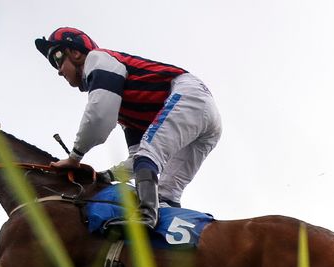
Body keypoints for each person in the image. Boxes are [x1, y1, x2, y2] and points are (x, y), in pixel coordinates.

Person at [35, 27, 223, 229]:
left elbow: (99, 117)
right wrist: (104, 176)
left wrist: (74, 158)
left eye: (57, 58)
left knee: (149, 156)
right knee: (167, 193)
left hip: (189, 95)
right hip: (209, 118)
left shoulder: (97, 59)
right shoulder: (127, 109)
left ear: (76, 52)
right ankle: (169, 241)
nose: (58, 70)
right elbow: (137, 161)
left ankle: (145, 218)